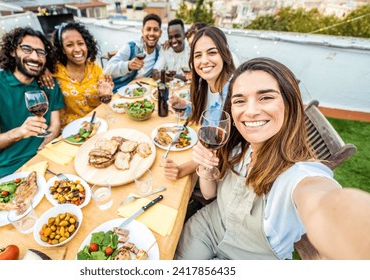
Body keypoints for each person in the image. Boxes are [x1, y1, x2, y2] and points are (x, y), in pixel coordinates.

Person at [175, 57, 370, 260]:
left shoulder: (299, 176)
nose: (250, 111)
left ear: (289, 103)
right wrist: (206, 169)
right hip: (208, 227)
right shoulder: (238, 147)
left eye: (266, 97)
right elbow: (208, 195)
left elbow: (326, 204)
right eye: (240, 100)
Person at [0, 27, 64, 183]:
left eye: (40, 52)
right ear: (12, 51)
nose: (35, 57)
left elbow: (55, 125)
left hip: (48, 158)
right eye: (27, 49)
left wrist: (42, 148)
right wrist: (21, 132)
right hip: (10, 169)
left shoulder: (49, 85)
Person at [161, 26, 236, 181]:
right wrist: (186, 106)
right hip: (201, 154)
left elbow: (217, 150)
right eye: (198, 55)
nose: (204, 61)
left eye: (212, 52)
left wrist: (181, 170)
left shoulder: (233, 95)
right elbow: (205, 113)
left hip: (220, 172)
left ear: (225, 54)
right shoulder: (204, 84)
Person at [39, 22, 114, 127]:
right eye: (69, 45)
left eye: (80, 43)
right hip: (70, 131)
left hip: (97, 124)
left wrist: (106, 94)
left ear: (87, 45)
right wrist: (42, 70)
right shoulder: (53, 71)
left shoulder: (95, 67)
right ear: (62, 49)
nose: (77, 49)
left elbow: (105, 99)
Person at [104, 13, 162, 92]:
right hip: (122, 91)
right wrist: (128, 65)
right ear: (142, 31)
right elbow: (108, 70)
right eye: (148, 29)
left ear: (160, 33)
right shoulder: (130, 47)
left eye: (155, 30)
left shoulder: (160, 51)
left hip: (144, 91)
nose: (151, 33)